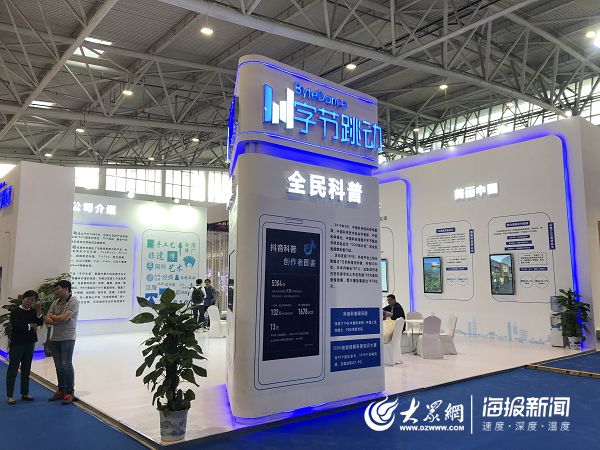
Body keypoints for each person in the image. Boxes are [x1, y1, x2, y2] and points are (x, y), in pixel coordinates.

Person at [44, 280, 79, 405]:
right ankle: (61, 389)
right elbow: (46, 318)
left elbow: (64, 318)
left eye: (58, 288)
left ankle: (69, 392)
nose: (56, 291)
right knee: (59, 366)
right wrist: (56, 318)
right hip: (55, 338)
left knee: (66, 364)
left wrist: (54, 317)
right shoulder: (55, 302)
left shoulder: (73, 301)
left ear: (66, 289)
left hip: (67, 338)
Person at [6, 290, 43, 405]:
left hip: (29, 343)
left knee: (26, 368)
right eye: (28, 299)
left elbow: (40, 323)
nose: (30, 302)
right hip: (17, 344)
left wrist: (38, 312)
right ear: (23, 298)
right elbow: (17, 327)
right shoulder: (15, 312)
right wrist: (30, 325)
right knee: (13, 369)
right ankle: (10, 395)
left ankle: (25, 393)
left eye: (32, 300)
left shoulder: (32, 311)